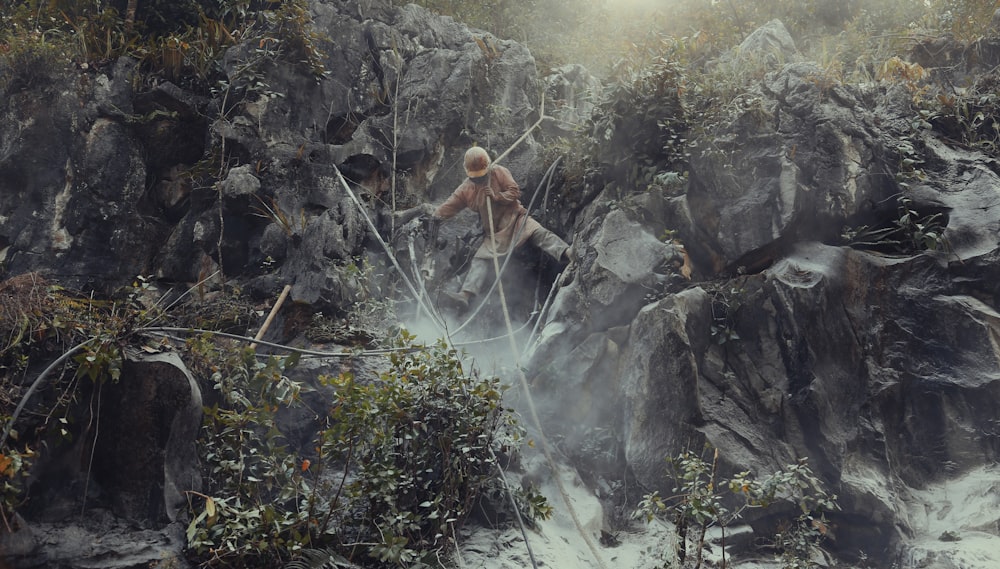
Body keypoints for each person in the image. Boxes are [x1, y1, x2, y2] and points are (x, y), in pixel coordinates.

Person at [401, 146, 570, 313]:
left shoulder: (498, 172)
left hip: (517, 219)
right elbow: (449, 206)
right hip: (495, 234)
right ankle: (465, 296)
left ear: (488, 166)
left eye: (481, 176)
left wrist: (498, 196)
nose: (479, 180)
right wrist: (434, 217)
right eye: (475, 178)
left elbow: (515, 191)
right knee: (479, 260)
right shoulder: (466, 189)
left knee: (540, 234)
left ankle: (568, 253)